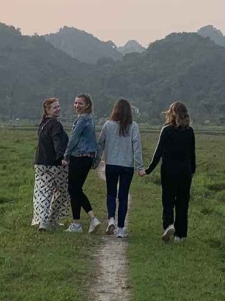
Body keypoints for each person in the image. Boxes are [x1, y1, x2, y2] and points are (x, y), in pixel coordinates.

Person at [145, 100, 197, 243]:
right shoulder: (190, 131)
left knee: (168, 201)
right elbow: (192, 154)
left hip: (169, 171)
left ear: (172, 113)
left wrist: (148, 170)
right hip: (185, 172)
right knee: (182, 203)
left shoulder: (167, 130)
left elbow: (158, 153)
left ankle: (169, 225)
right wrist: (192, 170)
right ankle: (180, 235)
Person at [97, 97, 143, 238]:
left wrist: (96, 160)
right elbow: (137, 148)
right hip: (127, 166)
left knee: (111, 194)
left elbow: (100, 144)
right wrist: (139, 166)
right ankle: (121, 230)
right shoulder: (133, 126)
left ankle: (111, 219)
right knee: (123, 196)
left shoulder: (108, 125)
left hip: (111, 165)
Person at [64, 93, 102, 233]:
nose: (77, 106)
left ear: (87, 105)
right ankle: (83, 221)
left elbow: (73, 139)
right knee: (76, 189)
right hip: (87, 158)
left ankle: (83, 222)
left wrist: (66, 155)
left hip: (78, 157)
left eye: (80, 103)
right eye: (75, 103)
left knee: (73, 189)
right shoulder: (90, 119)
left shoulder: (82, 120)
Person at [32, 96, 70, 232]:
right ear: (47, 110)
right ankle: (52, 219)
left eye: (58, 106)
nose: (58, 109)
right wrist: (61, 158)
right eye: (55, 107)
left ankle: (43, 221)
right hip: (55, 164)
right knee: (64, 191)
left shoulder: (42, 124)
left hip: (40, 164)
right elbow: (57, 141)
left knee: (43, 193)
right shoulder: (55, 124)